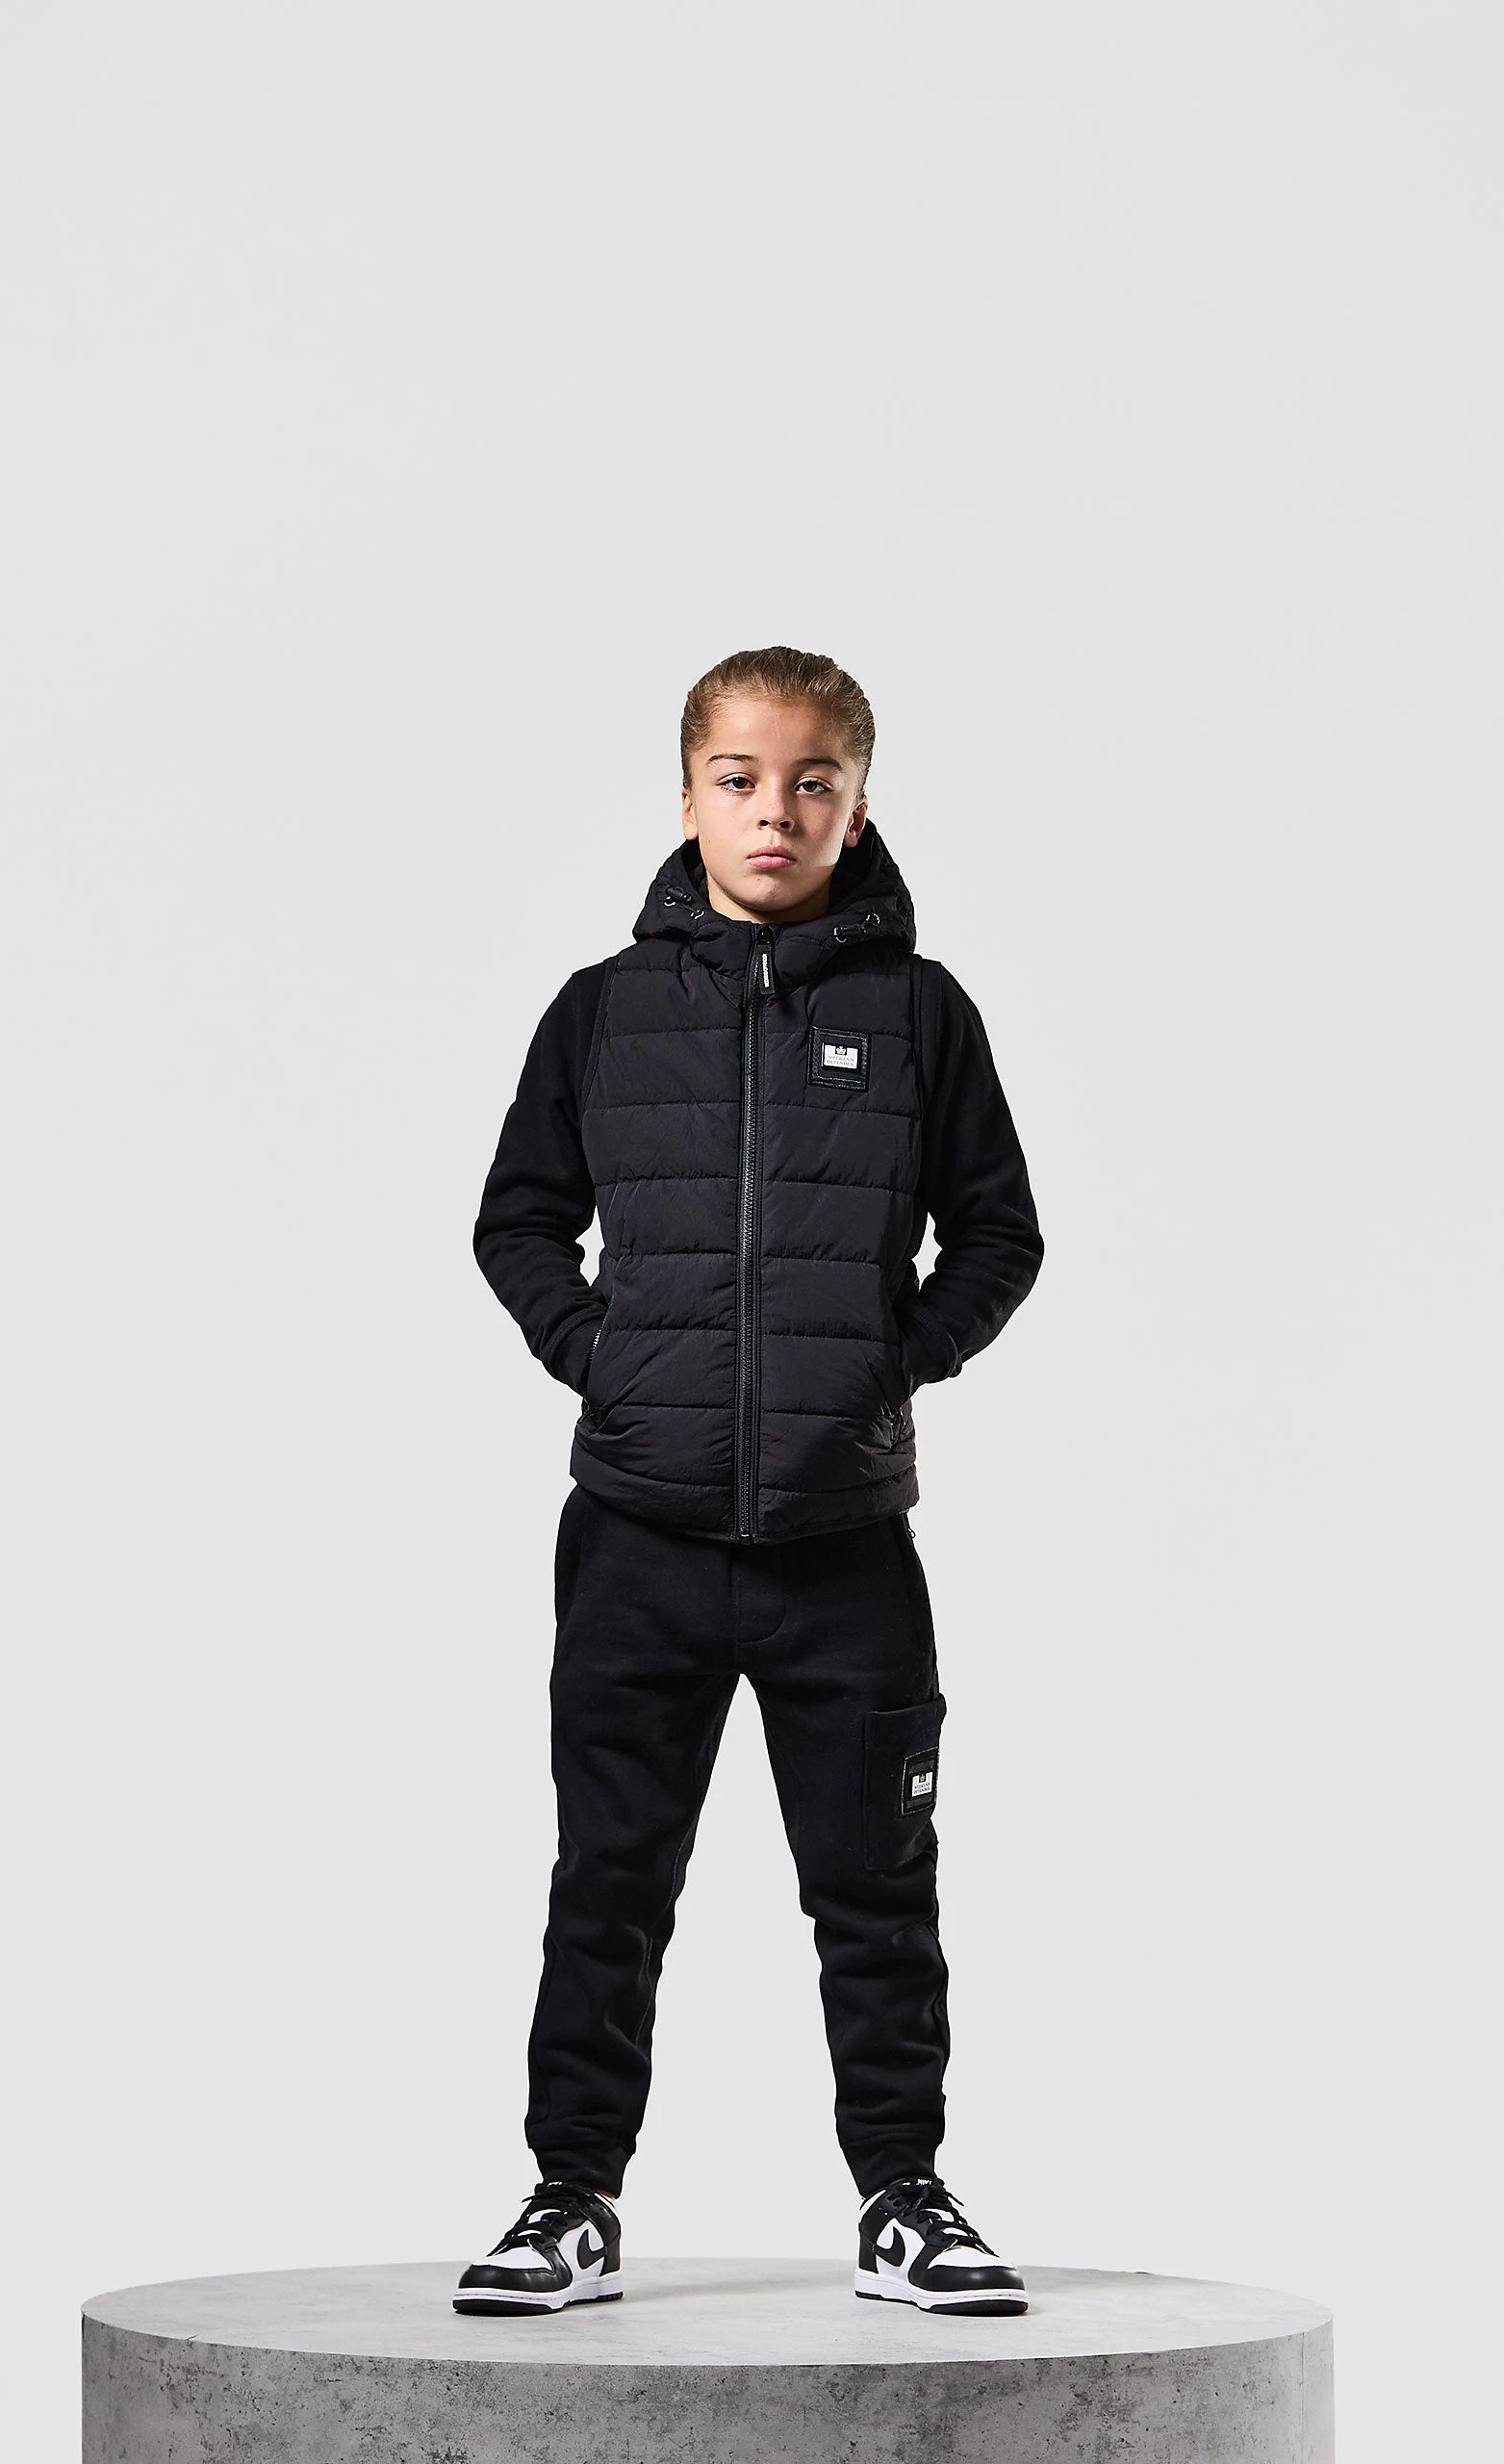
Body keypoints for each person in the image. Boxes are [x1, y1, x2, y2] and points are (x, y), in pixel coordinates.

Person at [458, 647, 1044, 2318]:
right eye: (740, 778)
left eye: (811, 782)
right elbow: (516, 1221)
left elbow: (999, 1235)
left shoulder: (921, 1017)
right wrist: (606, 1357)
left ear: (858, 805)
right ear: (688, 795)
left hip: (843, 1542)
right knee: (610, 1880)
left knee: (877, 1889)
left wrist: (885, 1362)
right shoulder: (603, 1011)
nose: (773, 810)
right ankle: (570, 2199)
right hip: (635, 1534)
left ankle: (904, 2198)